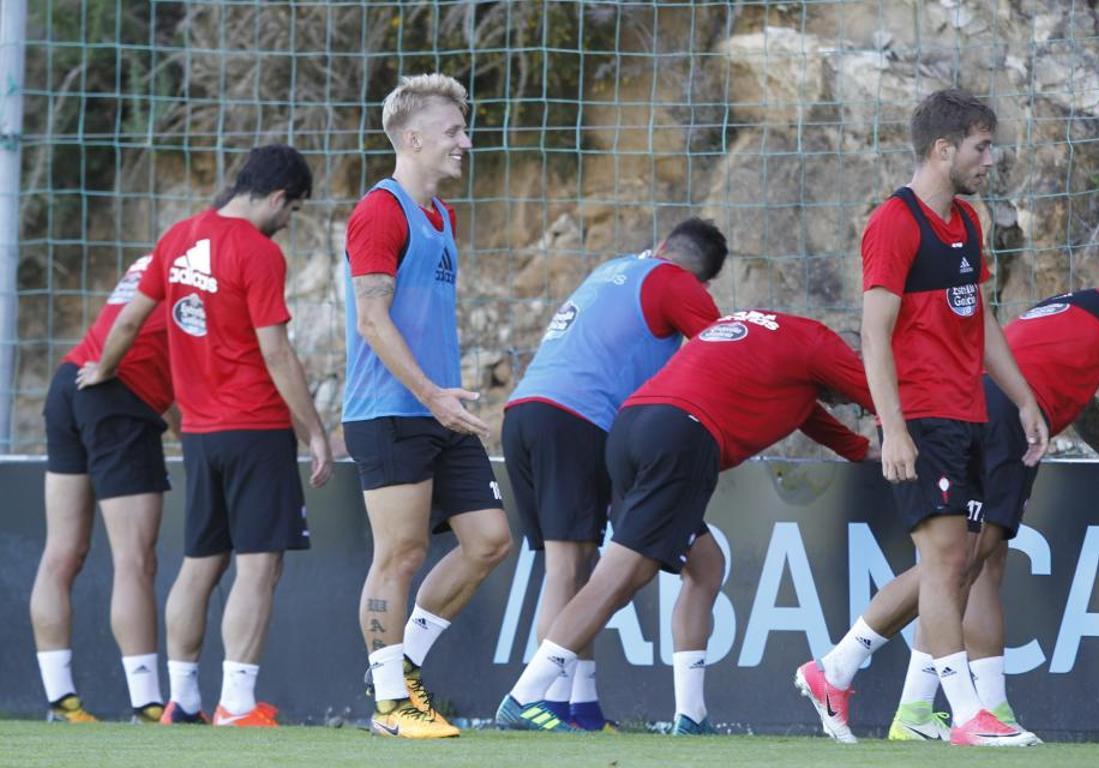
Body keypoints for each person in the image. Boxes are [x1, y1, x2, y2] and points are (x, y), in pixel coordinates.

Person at [795, 89, 1048, 748]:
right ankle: (965, 716)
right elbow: (874, 335)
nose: (990, 159)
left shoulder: (967, 221)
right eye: (980, 147)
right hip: (922, 415)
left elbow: (979, 319)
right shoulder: (894, 223)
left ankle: (835, 669)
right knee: (944, 561)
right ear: (942, 149)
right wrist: (894, 428)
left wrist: (1023, 399)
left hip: (967, 415)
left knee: (959, 560)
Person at [496, 310, 876, 734]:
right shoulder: (823, 344)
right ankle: (525, 695)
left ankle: (691, 715)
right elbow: (878, 391)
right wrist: (899, 433)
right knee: (618, 578)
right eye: (848, 402)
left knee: (706, 565)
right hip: (682, 437)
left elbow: (811, 416)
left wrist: (861, 450)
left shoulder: (783, 345)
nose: (846, 405)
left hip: (633, 425)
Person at [863, 286, 1099, 741]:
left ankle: (947, 709)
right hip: (1008, 414)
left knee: (979, 563)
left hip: (969, 401)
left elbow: (1080, 404)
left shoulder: (1080, 319)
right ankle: (845, 670)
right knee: (959, 562)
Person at [78, 144, 333, 727]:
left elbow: (130, 319)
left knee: (200, 564)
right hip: (255, 427)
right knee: (258, 565)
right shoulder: (259, 253)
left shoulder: (177, 237)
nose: (288, 222)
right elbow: (276, 351)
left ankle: (183, 700)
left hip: (198, 432)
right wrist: (314, 432)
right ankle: (237, 704)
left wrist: (104, 368)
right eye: (292, 210)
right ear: (277, 197)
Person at [502, 217, 727, 732]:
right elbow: (727, 347)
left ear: (662, 243)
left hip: (526, 411)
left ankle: (581, 707)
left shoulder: (613, 269)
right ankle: (542, 702)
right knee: (568, 569)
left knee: (580, 567)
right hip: (576, 418)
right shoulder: (676, 283)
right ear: (704, 281)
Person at [342, 73, 509, 740]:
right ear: (411, 139)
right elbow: (371, 320)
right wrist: (431, 393)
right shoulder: (380, 211)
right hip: (391, 410)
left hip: (440, 407)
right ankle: (390, 704)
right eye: (452, 132)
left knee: (489, 540)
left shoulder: (444, 216)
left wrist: (442, 396)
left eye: (463, 130)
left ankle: (398, 666)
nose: (464, 142)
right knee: (401, 553)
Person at [32, 255, 175, 723]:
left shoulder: (153, 259)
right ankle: (147, 704)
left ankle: (61, 701)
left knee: (61, 553)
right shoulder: (211, 264)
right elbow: (137, 337)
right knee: (134, 560)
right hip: (115, 393)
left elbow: (155, 351)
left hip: (68, 383)